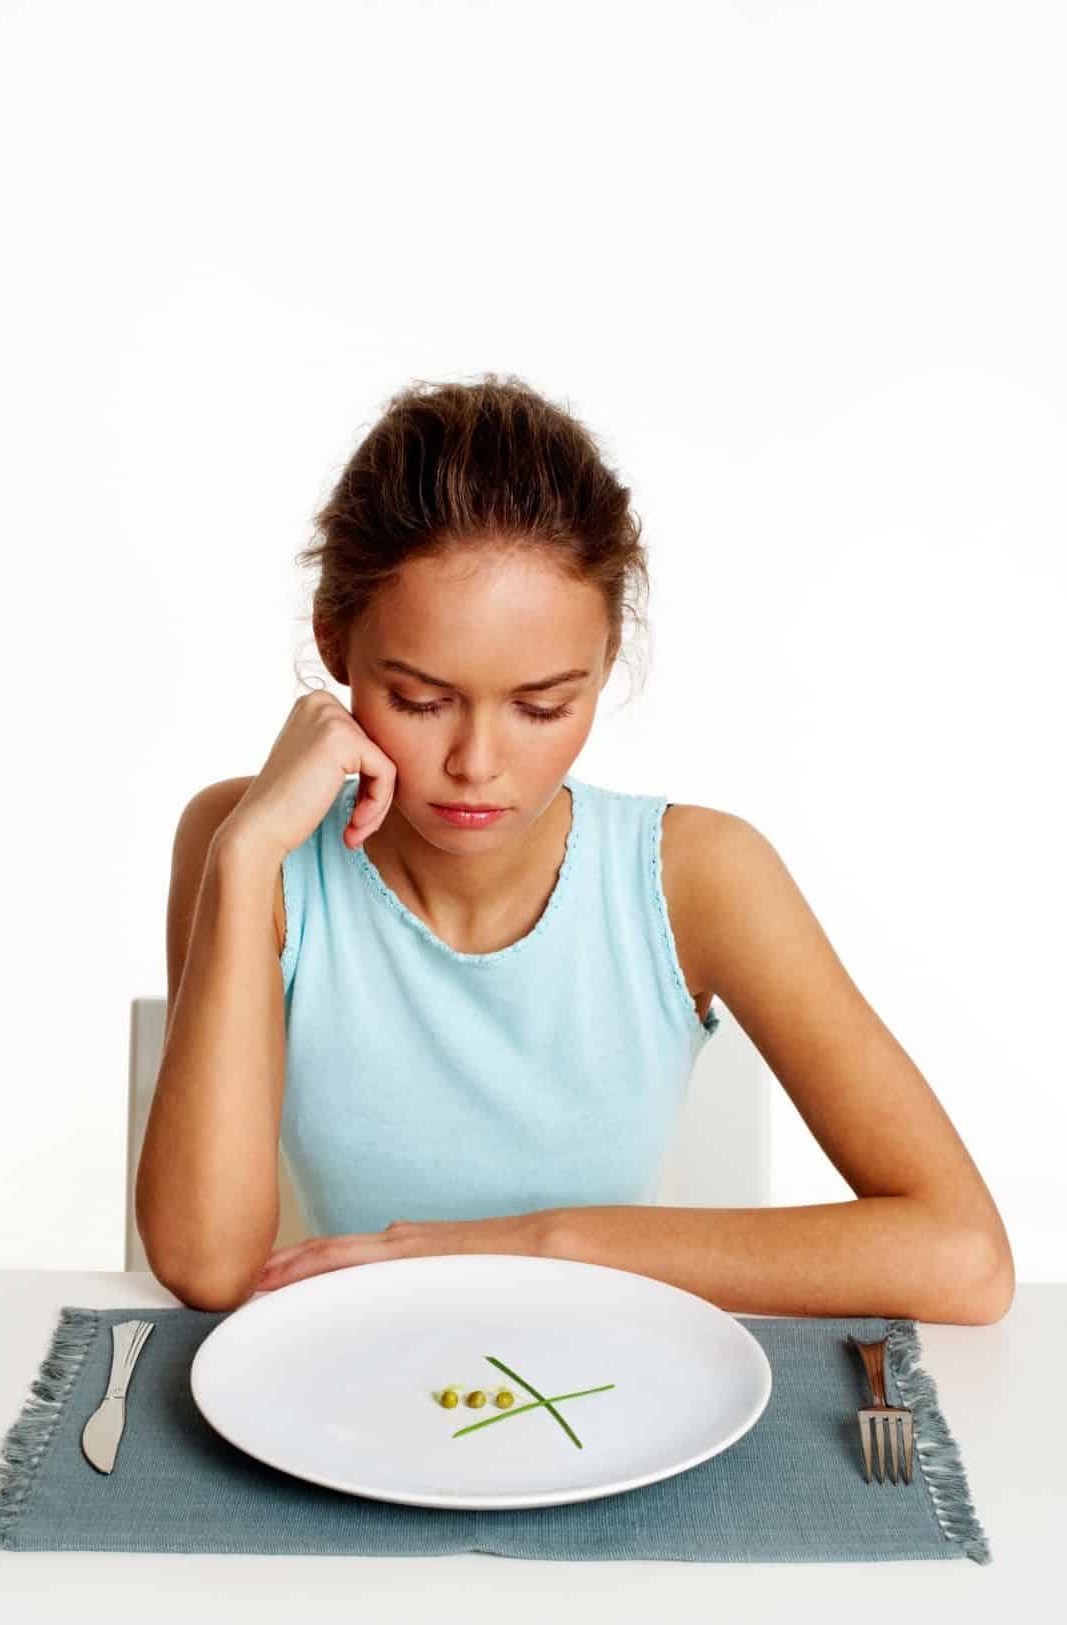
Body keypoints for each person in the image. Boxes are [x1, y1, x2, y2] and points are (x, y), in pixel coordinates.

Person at [136, 374, 1015, 1326]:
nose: (477, 764)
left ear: (607, 662)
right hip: (348, 1380)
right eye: (420, 701)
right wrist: (247, 850)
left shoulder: (699, 875)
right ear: (335, 645)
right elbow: (206, 1267)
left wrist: (534, 1243)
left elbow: (963, 1258)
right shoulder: (249, 847)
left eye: (543, 706)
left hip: (611, 1381)